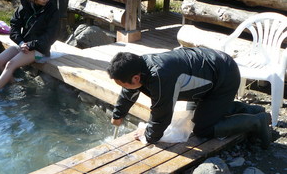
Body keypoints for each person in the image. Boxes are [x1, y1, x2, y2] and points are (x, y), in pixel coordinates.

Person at [107, 47, 272, 149]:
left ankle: (257, 121)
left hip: (224, 76)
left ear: (135, 78)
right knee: (195, 116)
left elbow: (161, 115)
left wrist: (148, 136)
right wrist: (118, 114)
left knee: (202, 129)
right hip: (207, 72)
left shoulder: (159, 77)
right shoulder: (138, 67)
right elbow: (129, 91)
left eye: (123, 84)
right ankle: (253, 110)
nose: (124, 88)